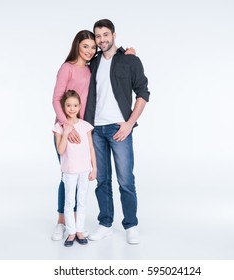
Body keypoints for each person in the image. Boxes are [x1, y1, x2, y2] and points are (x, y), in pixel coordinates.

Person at [51, 30, 136, 241]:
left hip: (83, 128)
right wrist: (66, 127)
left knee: (81, 175)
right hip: (65, 129)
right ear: (77, 46)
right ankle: (62, 222)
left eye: (92, 47)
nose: (89, 51)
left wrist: (127, 52)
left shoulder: (92, 67)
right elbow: (56, 100)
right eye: (85, 46)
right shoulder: (67, 68)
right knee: (67, 175)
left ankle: (76, 225)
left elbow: (111, 55)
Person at [84, 19, 150, 244]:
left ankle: (131, 225)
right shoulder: (92, 64)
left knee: (125, 181)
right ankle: (105, 223)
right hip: (96, 130)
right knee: (102, 180)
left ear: (113, 34)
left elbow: (143, 93)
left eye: (105, 34)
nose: (101, 39)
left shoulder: (130, 60)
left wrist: (129, 123)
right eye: (97, 36)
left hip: (120, 129)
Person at [53, 90, 97, 247]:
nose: (72, 108)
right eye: (68, 105)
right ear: (64, 107)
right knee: (69, 200)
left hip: (84, 170)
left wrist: (94, 168)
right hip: (69, 170)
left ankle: (80, 230)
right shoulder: (59, 127)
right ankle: (71, 232)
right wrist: (65, 132)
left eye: (75, 105)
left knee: (82, 200)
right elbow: (60, 150)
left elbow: (91, 148)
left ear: (80, 107)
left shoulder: (85, 126)